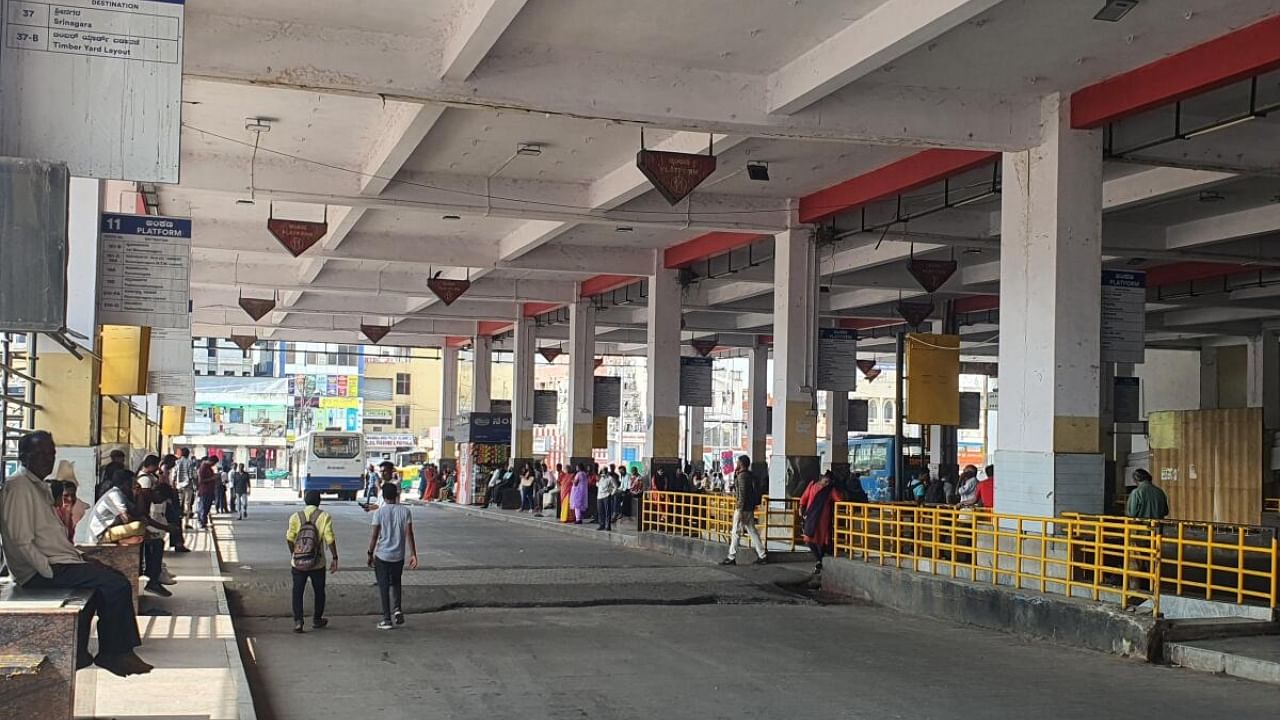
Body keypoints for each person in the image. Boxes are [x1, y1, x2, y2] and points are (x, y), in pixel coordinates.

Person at [0, 431, 151, 676]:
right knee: (116, 585)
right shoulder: (18, 487)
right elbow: (20, 540)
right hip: (41, 570)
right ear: (23, 456)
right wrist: (48, 571)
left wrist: (79, 559)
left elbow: (51, 537)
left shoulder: (38, 487)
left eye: (50, 453)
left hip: (58, 561)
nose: (47, 459)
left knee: (103, 581)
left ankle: (80, 652)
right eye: (40, 454)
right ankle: (115, 653)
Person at [286, 490, 339, 633]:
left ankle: (298, 621)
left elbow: (289, 538)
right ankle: (317, 619)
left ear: (305, 500)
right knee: (319, 591)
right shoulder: (324, 516)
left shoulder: (295, 517)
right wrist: (335, 557)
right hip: (317, 562)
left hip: (298, 563)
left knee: (297, 591)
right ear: (319, 501)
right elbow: (330, 539)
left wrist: (294, 554)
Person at [367, 482, 418, 630]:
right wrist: (413, 554)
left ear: (383, 496)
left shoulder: (379, 513)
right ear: (396, 495)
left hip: (382, 555)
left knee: (383, 586)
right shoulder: (405, 511)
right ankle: (397, 609)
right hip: (398, 556)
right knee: (396, 582)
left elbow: (374, 536)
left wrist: (370, 554)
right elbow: (410, 533)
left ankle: (387, 619)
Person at [721, 455, 768, 566]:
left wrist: (740, 509)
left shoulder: (742, 477)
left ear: (741, 464)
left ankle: (731, 557)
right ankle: (762, 555)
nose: (736, 464)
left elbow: (742, 494)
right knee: (752, 530)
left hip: (742, 508)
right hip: (750, 507)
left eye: (737, 462)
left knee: (735, 532)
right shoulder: (750, 475)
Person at [799, 471, 845, 578]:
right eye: (825, 481)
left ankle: (819, 560)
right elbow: (804, 497)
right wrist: (801, 507)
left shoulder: (830, 490)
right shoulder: (812, 485)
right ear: (822, 479)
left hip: (823, 519)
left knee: (821, 540)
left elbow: (839, 499)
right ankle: (819, 559)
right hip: (811, 516)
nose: (826, 484)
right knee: (808, 538)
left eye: (828, 482)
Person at [174, 447, 196, 529]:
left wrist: (174, 483)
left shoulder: (177, 462)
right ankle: (186, 523)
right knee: (187, 504)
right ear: (188, 454)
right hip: (188, 486)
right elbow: (192, 475)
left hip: (178, 486)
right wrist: (195, 484)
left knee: (179, 504)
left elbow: (174, 474)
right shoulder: (189, 462)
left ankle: (178, 522)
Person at [196, 456, 219, 529]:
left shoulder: (208, 467)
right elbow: (201, 480)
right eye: (214, 463)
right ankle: (202, 521)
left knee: (207, 506)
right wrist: (212, 478)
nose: (214, 465)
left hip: (209, 490)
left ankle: (204, 521)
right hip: (205, 490)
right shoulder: (203, 467)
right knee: (204, 506)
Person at [596, 467, 619, 531]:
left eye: (604, 471)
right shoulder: (600, 477)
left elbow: (615, 486)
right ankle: (601, 525)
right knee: (600, 511)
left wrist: (611, 493)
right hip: (599, 496)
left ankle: (608, 526)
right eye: (602, 471)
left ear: (606, 471)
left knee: (607, 511)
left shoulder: (610, 478)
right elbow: (598, 485)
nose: (603, 472)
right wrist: (597, 481)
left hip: (606, 496)